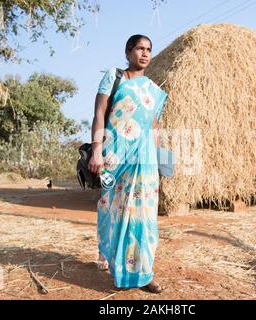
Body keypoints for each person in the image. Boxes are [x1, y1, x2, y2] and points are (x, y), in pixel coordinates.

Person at [88, 34, 168, 293]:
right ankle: (118, 267)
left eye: (148, 49)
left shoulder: (153, 91)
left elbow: (154, 128)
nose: (144, 53)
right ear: (128, 51)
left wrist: (161, 162)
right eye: (139, 48)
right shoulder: (114, 77)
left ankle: (143, 273)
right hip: (115, 156)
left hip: (143, 160)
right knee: (116, 211)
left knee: (143, 216)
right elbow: (99, 113)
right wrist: (96, 151)